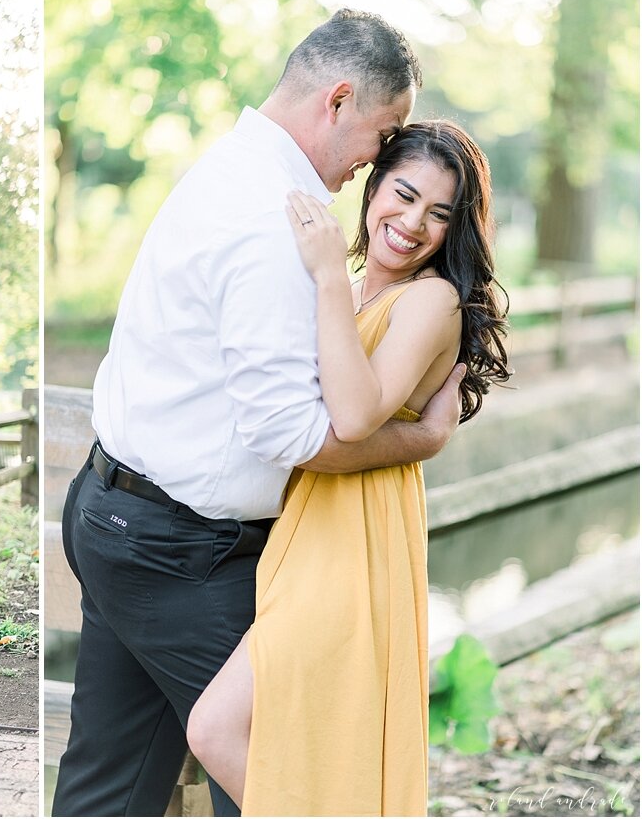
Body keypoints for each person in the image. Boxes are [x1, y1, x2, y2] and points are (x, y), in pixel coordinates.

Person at [51, 10, 466, 818]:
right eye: (383, 137)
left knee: (110, 786)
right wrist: (420, 437)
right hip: (182, 551)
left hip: (115, 515)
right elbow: (296, 433)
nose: (375, 160)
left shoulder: (226, 168)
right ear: (338, 101)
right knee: (298, 768)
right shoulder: (281, 219)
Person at [187, 121, 510, 816]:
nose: (413, 221)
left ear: (456, 231)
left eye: (439, 213)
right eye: (404, 193)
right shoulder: (360, 285)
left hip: (353, 546)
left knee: (216, 727)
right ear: (374, 184)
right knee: (312, 739)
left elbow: (356, 415)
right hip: (302, 531)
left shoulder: (432, 300)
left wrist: (329, 274)